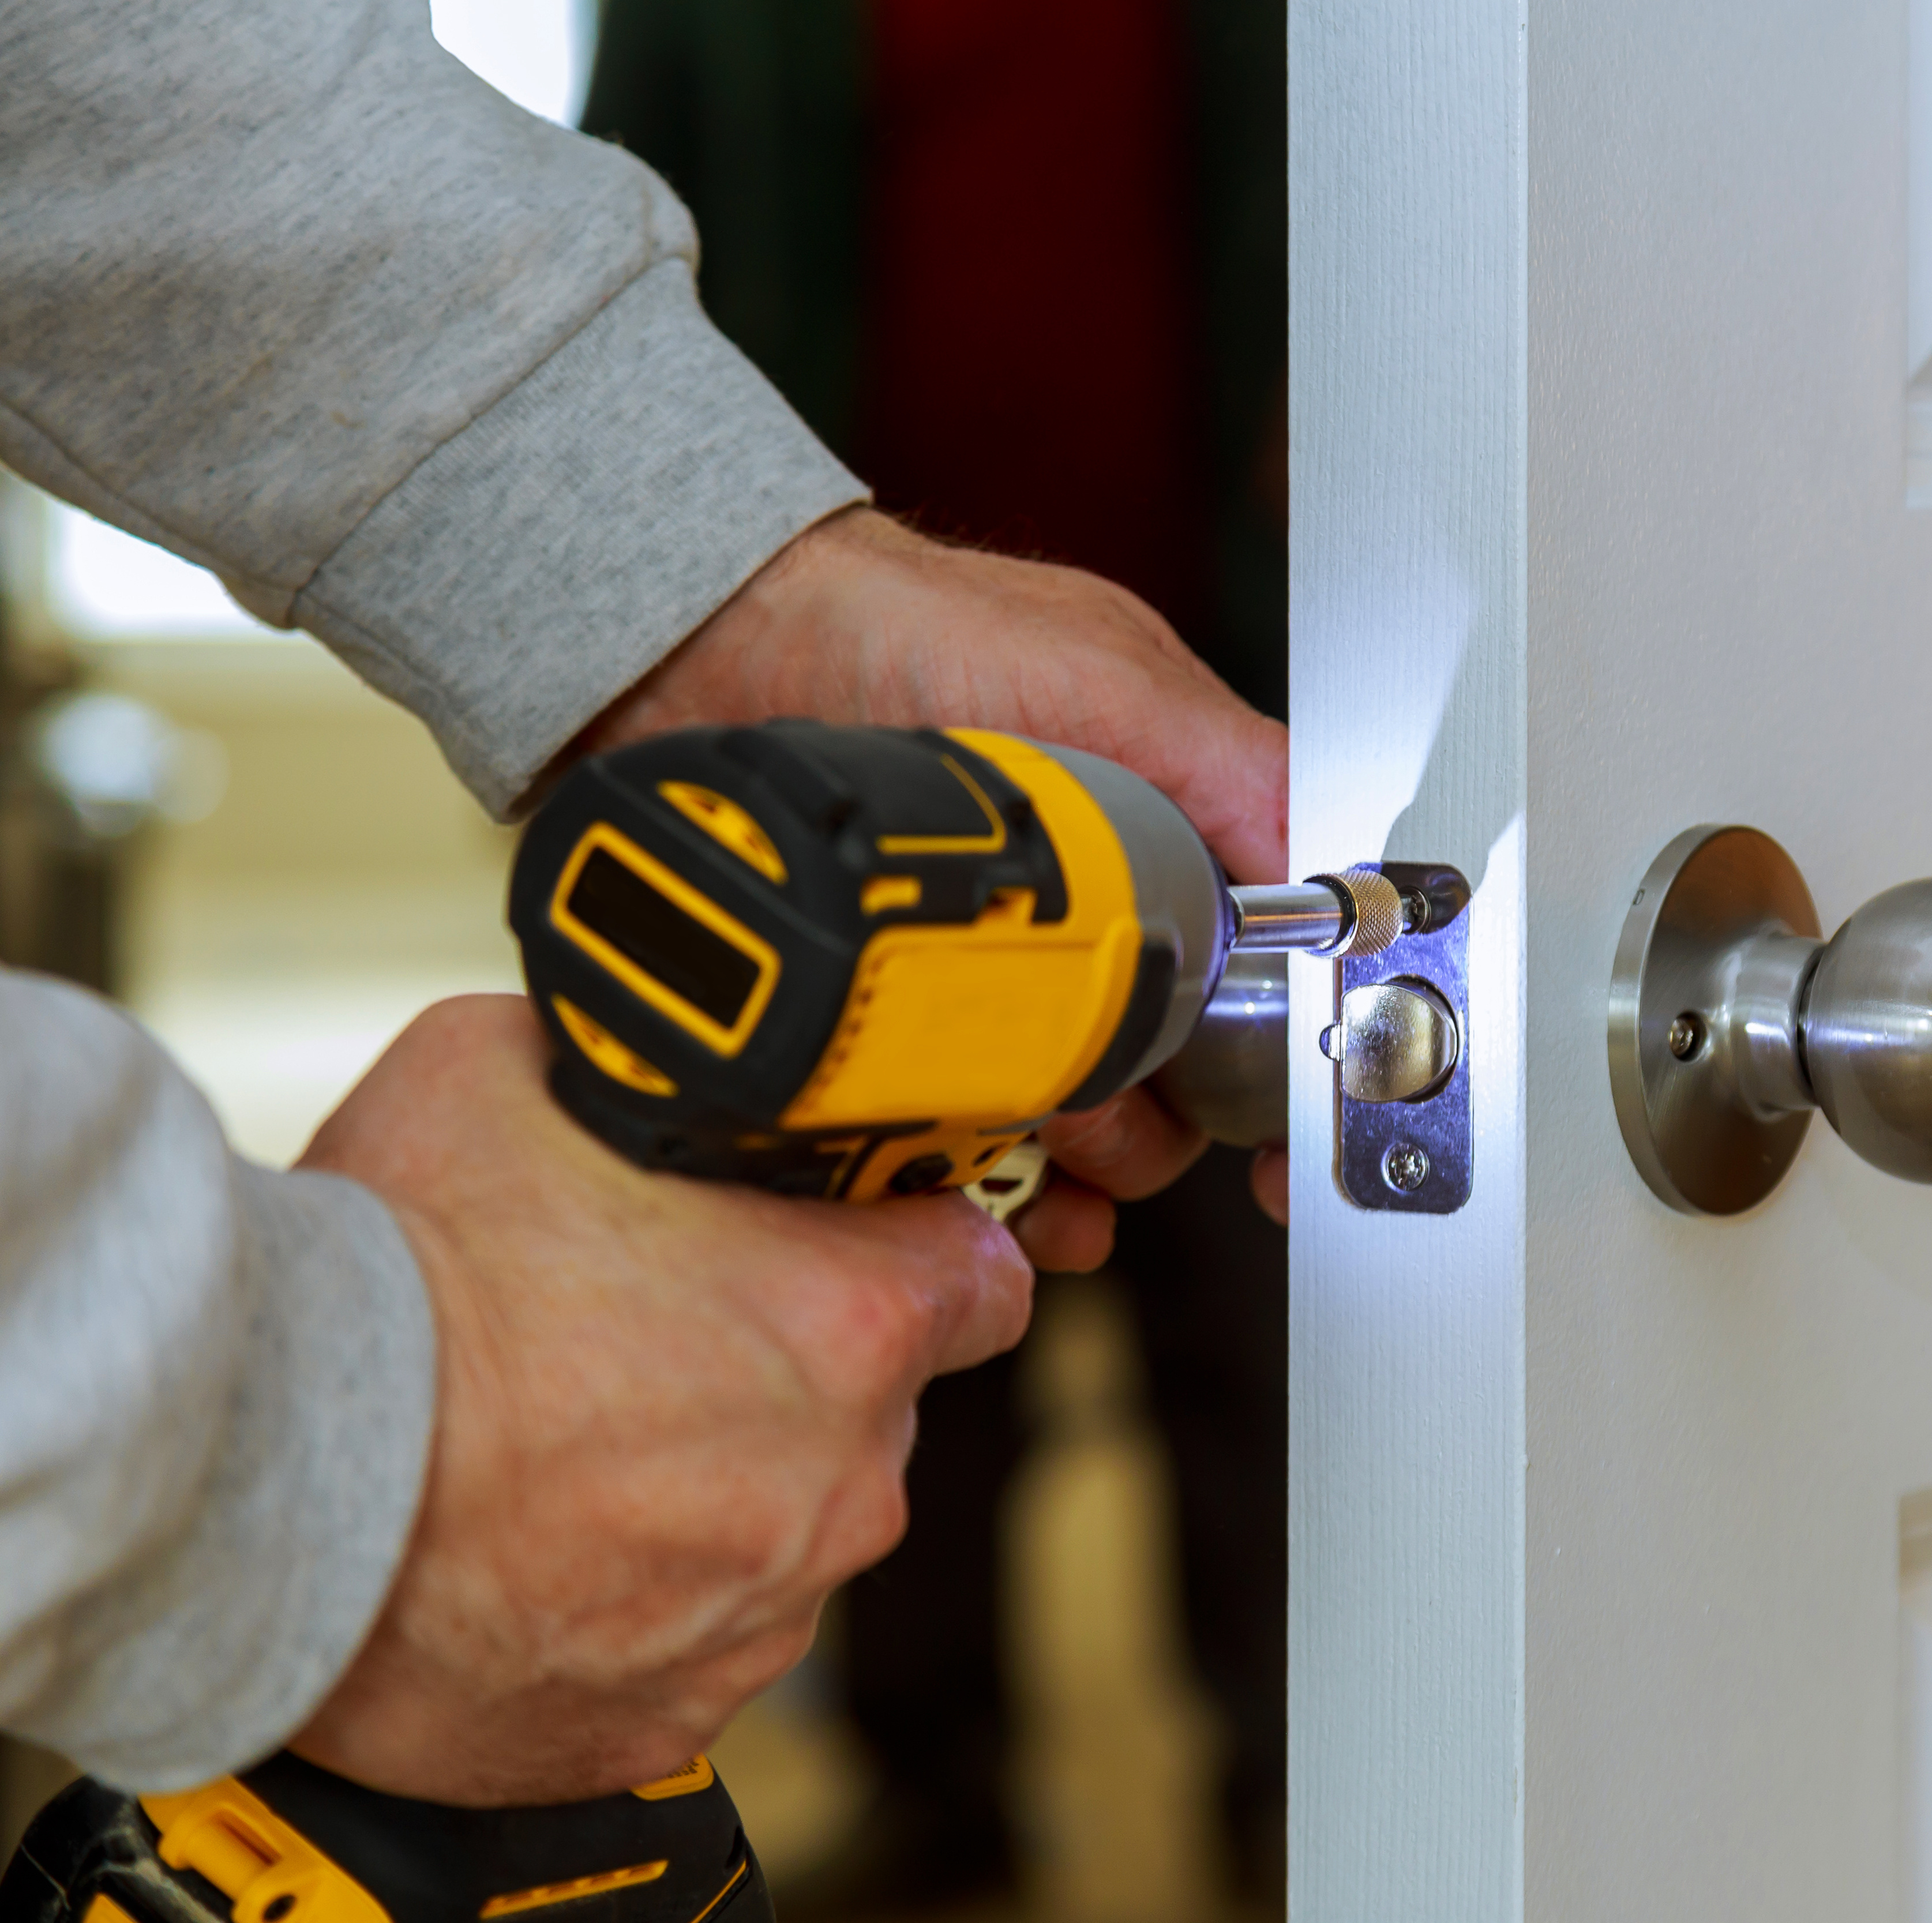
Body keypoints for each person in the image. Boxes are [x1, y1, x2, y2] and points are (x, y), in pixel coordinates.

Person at [0, 0, 1284, 1807]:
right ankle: (938, 1787)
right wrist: (293, 1443)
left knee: (1212, 1346)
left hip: (1102, 673)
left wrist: (693, 575)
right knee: (938, 1349)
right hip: (942, 717)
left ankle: (1278, 1776)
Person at [577, 3, 1291, 1906]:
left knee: (1263, 1317)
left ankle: (1291, 1784)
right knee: (915, 1283)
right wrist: (635, 653)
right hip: (858, 756)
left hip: (1214, 677)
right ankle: (939, 1790)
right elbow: (601, 259)